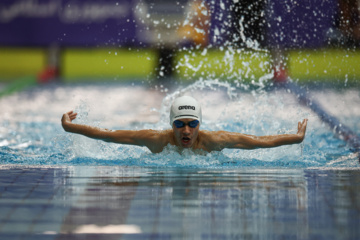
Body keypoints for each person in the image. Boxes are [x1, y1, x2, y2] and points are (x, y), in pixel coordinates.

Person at [61, 96, 308, 154]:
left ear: (200, 125)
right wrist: (71, 127)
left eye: (192, 124)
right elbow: (109, 135)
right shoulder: (158, 140)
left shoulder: (213, 141)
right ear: (171, 124)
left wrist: (294, 137)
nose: (186, 131)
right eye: (179, 124)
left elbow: (258, 141)